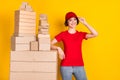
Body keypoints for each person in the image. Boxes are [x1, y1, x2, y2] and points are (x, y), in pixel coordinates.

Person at [51, 12, 98, 80]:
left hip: (79, 65)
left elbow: (95, 34)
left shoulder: (81, 34)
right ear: (67, 22)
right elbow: (49, 44)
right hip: (65, 66)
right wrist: (58, 48)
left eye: (74, 19)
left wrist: (85, 23)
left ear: (77, 21)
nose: (73, 22)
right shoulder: (63, 34)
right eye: (70, 20)